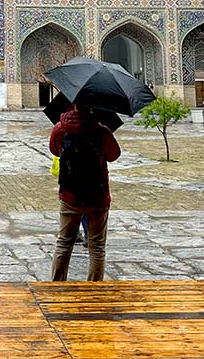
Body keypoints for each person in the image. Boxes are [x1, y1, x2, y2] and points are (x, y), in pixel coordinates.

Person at [49, 102, 120, 281]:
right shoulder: (101, 131)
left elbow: (55, 151)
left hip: (70, 194)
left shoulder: (59, 128)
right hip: (98, 195)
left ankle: (56, 286)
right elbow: (114, 155)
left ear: (73, 104)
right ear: (92, 106)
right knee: (96, 246)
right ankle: (94, 289)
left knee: (64, 244)